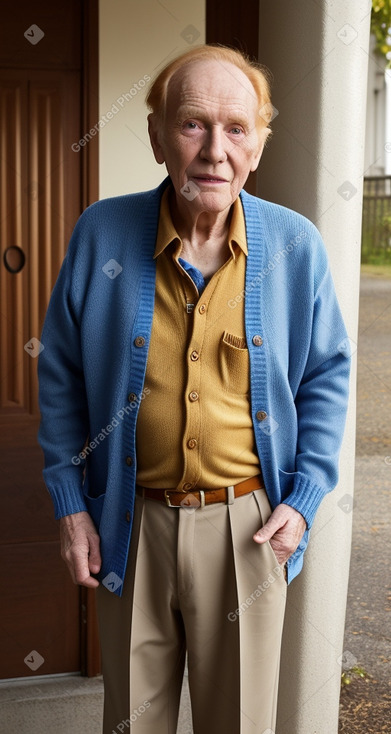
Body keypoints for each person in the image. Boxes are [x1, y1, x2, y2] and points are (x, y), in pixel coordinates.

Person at [38, 44, 351, 734]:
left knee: (238, 723)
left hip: (247, 529)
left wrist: (300, 503)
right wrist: (71, 507)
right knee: (132, 722)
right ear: (156, 137)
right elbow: (58, 372)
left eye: (236, 128)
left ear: (258, 145)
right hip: (129, 526)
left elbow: (328, 376)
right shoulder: (101, 233)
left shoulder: (295, 246)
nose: (214, 149)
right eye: (191, 124)